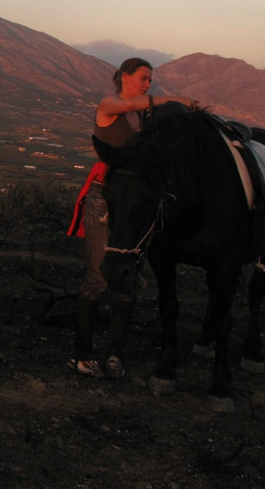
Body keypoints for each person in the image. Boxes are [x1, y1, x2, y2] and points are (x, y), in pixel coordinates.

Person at [66, 57, 196, 378]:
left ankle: (114, 355)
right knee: (98, 276)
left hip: (133, 198)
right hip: (104, 196)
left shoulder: (143, 116)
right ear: (125, 77)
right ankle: (82, 354)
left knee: (127, 278)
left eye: (150, 79)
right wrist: (175, 100)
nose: (147, 84)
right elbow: (133, 104)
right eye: (143, 78)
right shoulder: (109, 106)